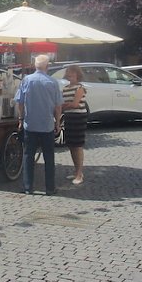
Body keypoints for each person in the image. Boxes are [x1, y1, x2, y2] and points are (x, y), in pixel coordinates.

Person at [15, 54, 63, 195]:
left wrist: (20, 118)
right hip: (47, 125)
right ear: (47, 67)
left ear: (34, 66)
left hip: (30, 125)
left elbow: (20, 101)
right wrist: (58, 123)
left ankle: (28, 187)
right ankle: (50, 188)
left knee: (28, 156)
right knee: (49, 157)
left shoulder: (27, 80)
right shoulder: (53, 82)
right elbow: (58, 106)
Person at [61, 64, 88, 185]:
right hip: (69, 117)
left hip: (78, 117)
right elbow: (62, 104)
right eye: (68, 73)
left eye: (72, 73)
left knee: (77, 145)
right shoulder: (65, 88)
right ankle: (76, 170)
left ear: (77, 74)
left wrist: (65, 105)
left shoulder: (80, 88)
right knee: (71, 145)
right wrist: (66, 105)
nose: (70, 75)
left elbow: (75, 104)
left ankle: (79, 173)